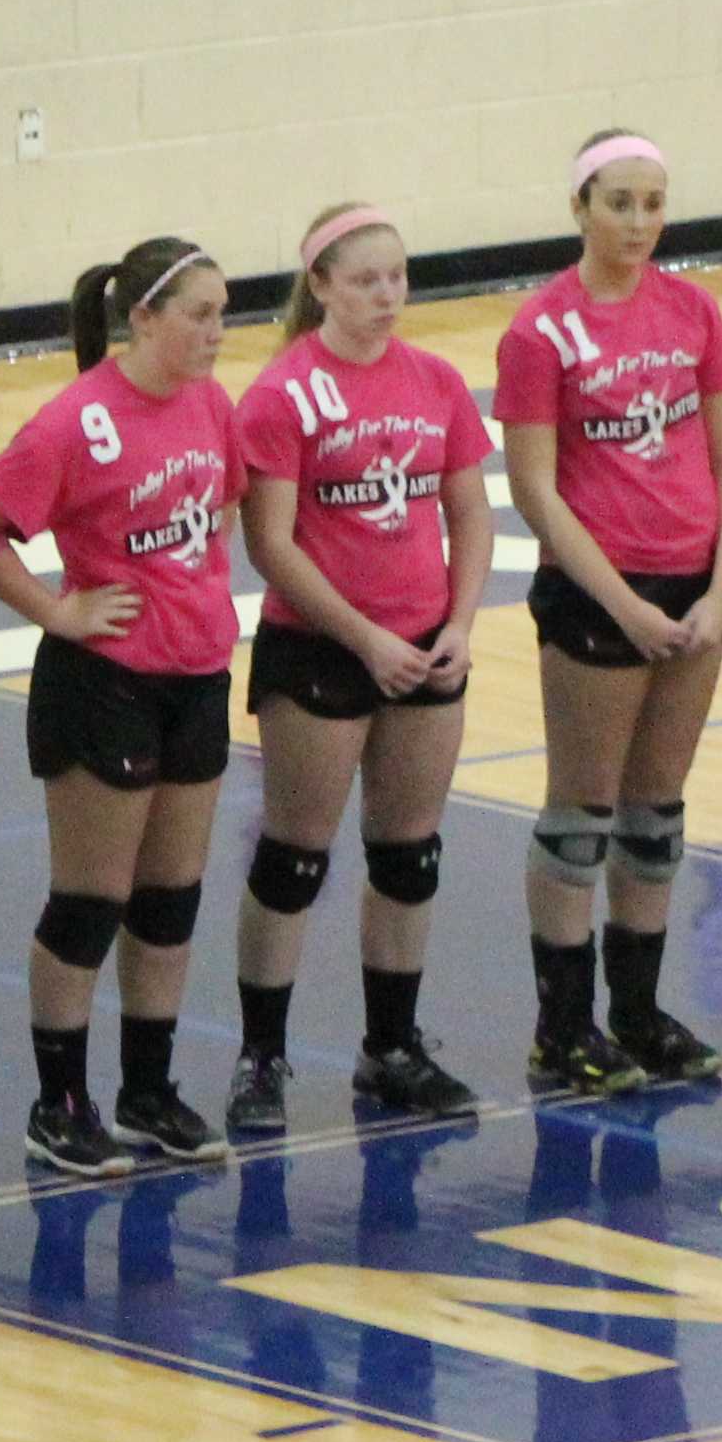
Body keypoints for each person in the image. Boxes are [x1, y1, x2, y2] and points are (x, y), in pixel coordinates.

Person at [0, 237, 246, 1174]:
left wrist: (196, 595)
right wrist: (56, 609)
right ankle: (60, 1103)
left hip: (197, 673)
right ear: (146, 319)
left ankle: (149, 1089)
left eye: (223, 310)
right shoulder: (78, 422)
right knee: (92, 902)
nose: (218, 330)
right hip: (105, 684)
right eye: (201, 313)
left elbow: (222, 510)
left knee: (170, 902)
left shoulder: (211, 403)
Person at [228, 205, 495, 1137]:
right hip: (321, 650)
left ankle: (392, 1047)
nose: (388, 296)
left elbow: (470, 513)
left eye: (398, 277)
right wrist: (360, 639)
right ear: (323, 287)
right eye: (367, 280)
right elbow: (270, 542)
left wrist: (458, 621)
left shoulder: (435, 382)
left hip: (424, 643)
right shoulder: (285, 393)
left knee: (408, 854)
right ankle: (261, 1056)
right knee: (296, 856)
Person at [495, 133, 722, 1092]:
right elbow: (535, 489)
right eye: (619, 203)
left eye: (653, 203)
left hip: (693, 590)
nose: (639, 222)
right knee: (582, 813)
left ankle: (637, 1015)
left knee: (657, 815)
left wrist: (720, 593)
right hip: (601, 596)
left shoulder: (693, 311)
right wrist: (625, 605)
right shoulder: (541, 332)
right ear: (580, 208)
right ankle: (563, 1028)